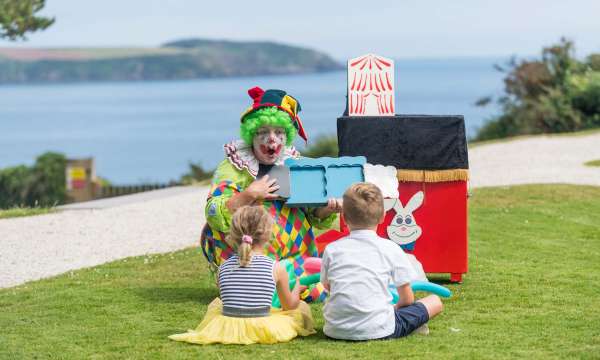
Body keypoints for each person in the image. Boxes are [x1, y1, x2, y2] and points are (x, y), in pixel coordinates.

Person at [201, 86, 341, 303]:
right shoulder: (233, 167)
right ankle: (250, 282)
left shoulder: (296, 164)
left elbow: (314, 214)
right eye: (263, 132)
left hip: (296, 260)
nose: (271, 139)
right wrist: (248, 195)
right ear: (251, 135)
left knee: (314, 289)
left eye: (278, 132)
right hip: (247, 261)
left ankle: (291, 282)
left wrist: (326, 208)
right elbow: (213, 214)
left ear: (287, 136)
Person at [170, 205, 316, 345]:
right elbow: (289, 306)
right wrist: (297, 287)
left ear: (233, 234)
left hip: (227, 327)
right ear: (267, 234)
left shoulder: (223, 267)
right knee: (300, 308)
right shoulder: (276, 268)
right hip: (263, 327)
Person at [320, 183, 443, 340]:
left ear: (343, 217)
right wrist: (394, 308)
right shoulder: (391, 248)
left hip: (335, 329)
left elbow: (328, 286)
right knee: (435, 301)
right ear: (383, 216)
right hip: (381, 328)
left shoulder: (332, 249)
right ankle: (413, 326)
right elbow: (407, 299)